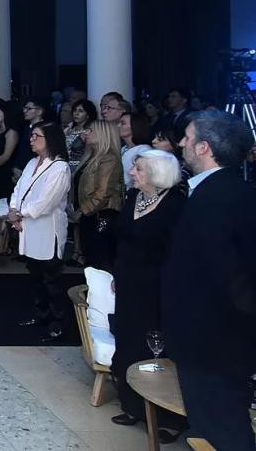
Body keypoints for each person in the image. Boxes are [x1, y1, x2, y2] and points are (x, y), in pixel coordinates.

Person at [162, 112, 256, 449]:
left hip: (213, 344)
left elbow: (231, 276)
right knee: (213, 425)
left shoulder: (219, 198)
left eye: (187, 137)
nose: (182, 143)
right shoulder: (225, 191)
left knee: (225, 429)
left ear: (204, 147)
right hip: (211, 341)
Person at [109, 149, 187, 442]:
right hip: (129, 282)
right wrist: (118, 273)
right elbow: (122, 241)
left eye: (138, 169)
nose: (132, 172)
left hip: (159, 287)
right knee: (128, 339)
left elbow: (178, 253)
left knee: (157, 345)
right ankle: (132, 405)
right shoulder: (134, 198)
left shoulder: (176, 206)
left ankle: (168, 417)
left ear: (157, 174)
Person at [9, 122, 71, 342]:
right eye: (32, 135)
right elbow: (19, 190)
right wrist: (13, 209)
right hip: (28, 227)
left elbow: (46, 201)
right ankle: (42, 315)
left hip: (47, 229)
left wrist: (20, 213)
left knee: (51, 279)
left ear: (51, 139)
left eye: (37, 136)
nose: (32, 139)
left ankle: (57, 323)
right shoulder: (32, 162)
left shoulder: (60, 168)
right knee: (36, 277)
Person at [73, 120, 125, 270]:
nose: (85, 133)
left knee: (101, 261)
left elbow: (103, 192)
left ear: (103, 134)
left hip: (103, 215)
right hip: (90, 214)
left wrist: (82, 211)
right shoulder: (90, 156)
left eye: (90, 131)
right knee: (92, 259)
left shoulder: (109, 158)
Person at [13, 97, 46, 180]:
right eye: (25, 108)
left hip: (34, 170)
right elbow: (22, 149)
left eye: (29, 109)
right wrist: (16, 167)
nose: (24, 111)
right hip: (22, 170)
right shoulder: (27, 127)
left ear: (39, 111)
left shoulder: (45, 128)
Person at [118, 113, 151, 189]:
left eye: (123, 123)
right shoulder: (123, 148)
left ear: (135, 126)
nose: (118, 126)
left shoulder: (144, 151)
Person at [64, 99, 97, 171]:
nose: (76, 113)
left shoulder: (89, 132)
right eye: (75, 110)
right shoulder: (68, 130)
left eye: (80, 111)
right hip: (65, 166)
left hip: (81, 168)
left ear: (88, 115)